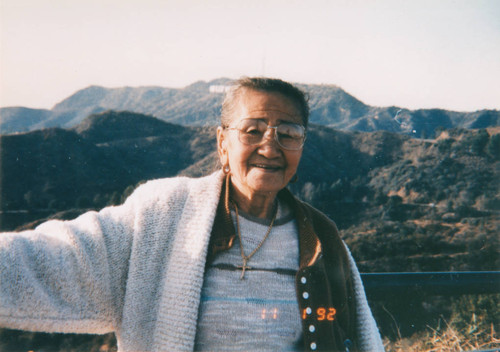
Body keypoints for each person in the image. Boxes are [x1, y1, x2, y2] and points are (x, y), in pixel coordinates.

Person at [0, 77, 384, 351]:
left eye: (288, 133)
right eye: (253, 130)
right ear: (222, 142)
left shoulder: (320, 237)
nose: (270, 146)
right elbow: (59, 256)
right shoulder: (162, 215)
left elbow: (361, 336)